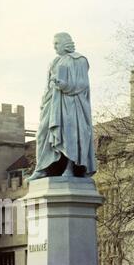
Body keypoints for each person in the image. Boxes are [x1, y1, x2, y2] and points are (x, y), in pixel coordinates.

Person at [28, 32, 96, 181]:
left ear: (66, 43)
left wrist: (64, 85)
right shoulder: (54, 62)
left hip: (71, 103)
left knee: (70, 135)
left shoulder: (79, 60)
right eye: (53, 44)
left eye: (56, 44)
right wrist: (44, 101)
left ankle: (70, 168)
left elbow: (83, 84)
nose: (54, 47)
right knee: (42, 134)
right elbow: (47, 85)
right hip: (52, 104)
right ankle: (42, 168)